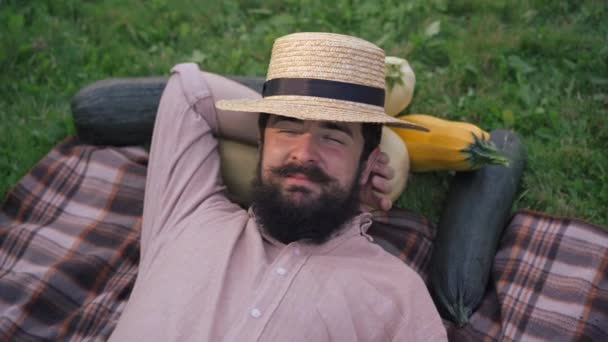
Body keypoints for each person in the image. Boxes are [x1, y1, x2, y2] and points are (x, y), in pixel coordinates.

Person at [109, 32, 447, 341]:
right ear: (259, 142)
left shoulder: (397, 295)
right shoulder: (188, 211)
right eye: (286, 129)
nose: (304, 154)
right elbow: (188, 91)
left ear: (369, 164)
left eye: (333, 137)